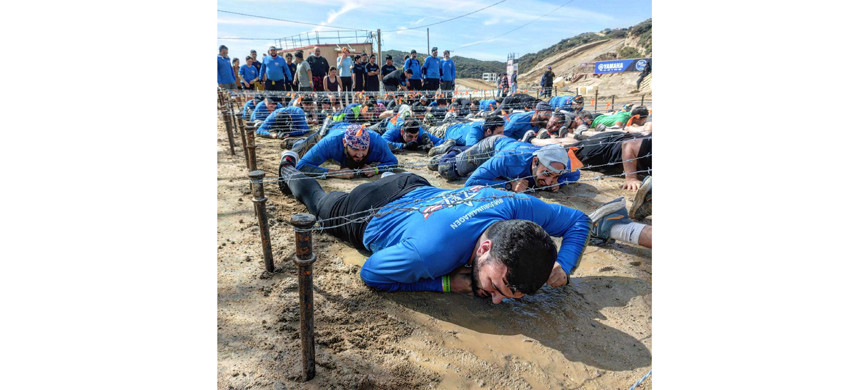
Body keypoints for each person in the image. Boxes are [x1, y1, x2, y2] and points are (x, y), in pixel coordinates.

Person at [277, 152, 590, 301]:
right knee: (318, 202)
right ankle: (288, 169)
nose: (496, 299)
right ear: (484, 248)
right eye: (497, 287)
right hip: (367, 210)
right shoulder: (431, 255)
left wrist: (563, 264)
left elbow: (578, 220)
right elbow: (371, 272)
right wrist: (444, 284)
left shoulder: (516, 204)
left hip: (413, 184)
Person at [531, 131, 652, 191]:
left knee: (575, 146)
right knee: (567, 151)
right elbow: (629, 145)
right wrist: (631, 178)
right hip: (605, 150)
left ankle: (563, 135)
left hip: (615, 142)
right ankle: (535, 140)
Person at [454, 140, 580, 193]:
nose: (548, 182)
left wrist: (560, 182)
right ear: (535, 161)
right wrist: (508, 185)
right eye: (547, 174)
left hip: (517, 145)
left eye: (555, 176)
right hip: (494, 145)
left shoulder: (559, 163)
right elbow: (470, 183)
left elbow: (576, 174)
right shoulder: (508, 160)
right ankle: (452, 149)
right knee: (450, 169)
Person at [291, 123, 398, 179]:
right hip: (330, 131)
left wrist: (375, 170)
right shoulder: (330, 142)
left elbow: (393, 162)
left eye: (364, 149)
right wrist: (335, 173)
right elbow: (301, 166)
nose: (360, 154)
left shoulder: (378, 142)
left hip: (347, 130)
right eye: (355, 149)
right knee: (298, 150)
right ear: (344, 143)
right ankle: (294, 142)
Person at [426, 115, 506, 157]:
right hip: (445, 131)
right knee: (427, 130)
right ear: (488, 131)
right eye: (499, 132)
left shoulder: (491, 127)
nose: (502, 135)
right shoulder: (475, 132)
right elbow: (471, 151)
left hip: (459, 125)